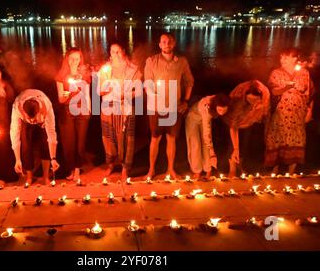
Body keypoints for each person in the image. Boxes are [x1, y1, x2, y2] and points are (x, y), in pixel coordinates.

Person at [144, 33, 194, 180]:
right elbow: (147, 83)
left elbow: (189, 82)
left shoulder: (182, 62)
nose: (167, 44)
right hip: (156, 108)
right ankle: (151, 170)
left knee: (171, 139)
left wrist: (186, 101)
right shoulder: (151, 61)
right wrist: (154, 94)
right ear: (159, 45)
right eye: (164, 42)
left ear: (174, 44)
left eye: (169, 42)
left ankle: (170, 170)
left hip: (174, 107)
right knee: (155, 138)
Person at [264, 48, 314, 175]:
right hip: (280, 114)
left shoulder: (304, 73)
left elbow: (310, 94)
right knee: (277, 140)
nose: (282, 60)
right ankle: (274, 171)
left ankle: (291, 172)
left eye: (286, 58)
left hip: (298, 115)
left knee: (296, 140)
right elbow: (273, 92)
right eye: (281, 57)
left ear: (295, 59)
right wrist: (286, 88)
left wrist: (310, 111)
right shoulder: (276, 73)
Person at [98, 43, 142, 181]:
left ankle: (125, 168)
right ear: (110, 53)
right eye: (113, 51)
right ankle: (110, 165)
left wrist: (125, 95)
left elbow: (139, 91)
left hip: (126, 109)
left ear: (123, 52)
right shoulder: (105, 70)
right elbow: (99, 91)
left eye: (118, 51)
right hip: (108, 108)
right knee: (108, 138)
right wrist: (106, 90)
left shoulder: (133, 70)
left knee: (127, 139)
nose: (115, 54)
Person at [55, 48, 91, 181]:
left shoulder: (84, 74)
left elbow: (87, 93)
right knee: (68, 143)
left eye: (77, 58)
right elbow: (60, 99)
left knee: (80, 144)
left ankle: (77, 169)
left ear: (80, 59)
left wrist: (89, 109)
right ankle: (71, 168)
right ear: (67, 59)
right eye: (71, 58)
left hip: (82, 111)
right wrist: (67, 94)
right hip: (67, 112)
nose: (74, 61)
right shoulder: (61, 75)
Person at [10, 89, 60, 185]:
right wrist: (17, 160)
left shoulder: (46, 106)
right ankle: (29, 177)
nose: (32, 121)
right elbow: (14, 132)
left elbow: (51, 133)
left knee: (45, 144)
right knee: (26, 146)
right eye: (30, 118)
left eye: (34, 118)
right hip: (25, 122)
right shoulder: (17, 107)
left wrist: (53, 158)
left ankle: (45, 177)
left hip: (42, 119)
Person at [222, 80, 270, 177]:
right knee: (233, 144)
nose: (252, 102)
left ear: (260, 97)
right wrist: (236, 149)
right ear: (245, 96)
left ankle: (239, 165)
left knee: (245, 142)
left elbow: (266, 112)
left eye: (255, 100)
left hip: (249, 119)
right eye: (250, 100)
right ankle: (232, 170)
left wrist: (259, 110)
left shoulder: (265, 95)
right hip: (234, 119)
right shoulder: (238, 99)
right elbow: (233, 127)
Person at [185, 94, 230, 180]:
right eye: (220, 110)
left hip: (204, 119)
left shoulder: (221, 100)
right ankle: (197, 171)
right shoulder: (207, 106)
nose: (221, 113)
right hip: (193, 118)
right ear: (215, 106)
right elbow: (207, 133)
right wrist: (212, 154)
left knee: (206, 145)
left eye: (224, 111)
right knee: (195, 144)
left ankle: (208, 170)